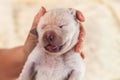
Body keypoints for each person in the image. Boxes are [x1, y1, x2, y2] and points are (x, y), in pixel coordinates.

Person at [0, 7, 85, 80]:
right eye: (43, 27)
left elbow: (78, 70)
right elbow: (30, 65)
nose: (49, 36)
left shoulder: (72, 55)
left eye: (61, 26)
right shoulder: (39, 52)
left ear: (75, 25)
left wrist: (25, 54)